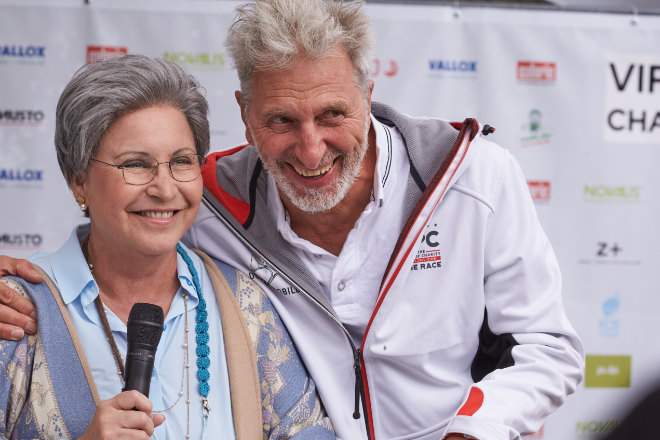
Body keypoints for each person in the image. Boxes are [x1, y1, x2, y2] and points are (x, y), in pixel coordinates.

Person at [0, 1, 584, 439]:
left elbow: (548, 347)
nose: (310, 150)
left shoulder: (473, 179)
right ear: (245, 114)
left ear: (369, 90)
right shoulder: (206, 204)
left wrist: (473, 431)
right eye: (281, 120)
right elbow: (119, 237)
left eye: (332, 114)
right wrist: (25, 286)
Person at [0, 54, 333, 439]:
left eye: (181, 161)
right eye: (136, 164)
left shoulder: (245, 303)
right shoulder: (17, 312)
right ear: (79, 181)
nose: (164, 188)